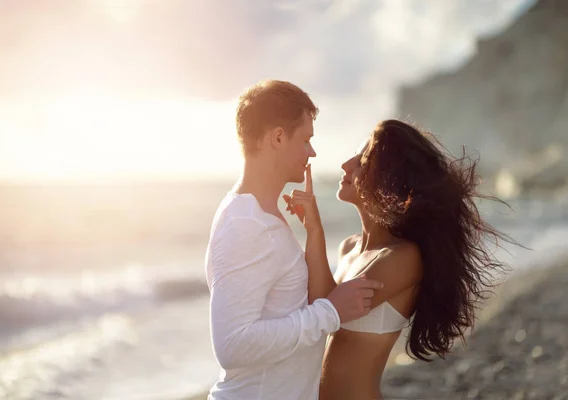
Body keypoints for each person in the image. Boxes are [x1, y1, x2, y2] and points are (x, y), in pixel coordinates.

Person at [285, 119, 512, 399]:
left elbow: (326, 309)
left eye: (362, 161)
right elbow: (313, 315)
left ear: (388, 176)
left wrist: (314, 228)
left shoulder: (404, 257)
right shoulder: (348, 249)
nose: (346, 165)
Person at [204, 80, 384, 400]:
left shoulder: (259, 215)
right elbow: (233, 345)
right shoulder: (246, 223)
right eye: (305, 139)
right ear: (277, 137)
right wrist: (330, 312)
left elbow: (282, 308)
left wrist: (313, 232)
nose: (311, 152)